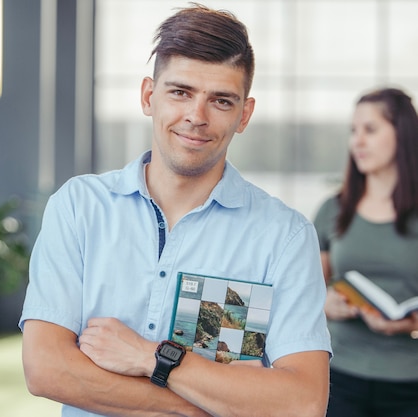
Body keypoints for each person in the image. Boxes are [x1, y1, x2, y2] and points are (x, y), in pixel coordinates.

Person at [20, 4, 331, 417]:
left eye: (221, 101)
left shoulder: (284, 236)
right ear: (149, 96)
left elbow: (303, 402)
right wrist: (193, 405)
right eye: (180, 92)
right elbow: (46, 369)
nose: (196, 117)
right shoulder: (79, 208)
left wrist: (153, 358)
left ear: (244, 115)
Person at [313, 87, 418, 417]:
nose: (357, 141)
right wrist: (326, 302)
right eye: (353, 131)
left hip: (410, 383)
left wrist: (410, 324)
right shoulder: (334, 209)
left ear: (402, 135)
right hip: (340, 377)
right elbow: (309, 288)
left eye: (370, 130)